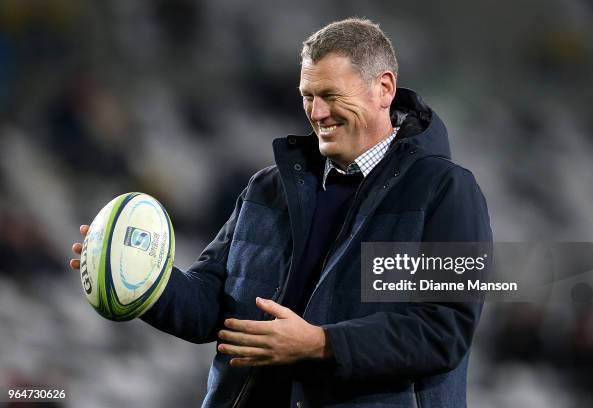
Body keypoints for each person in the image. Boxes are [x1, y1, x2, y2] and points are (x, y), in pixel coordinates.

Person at [71, 18, 491, 408]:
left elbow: (443, 330)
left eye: (331, 95)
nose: (317, 113)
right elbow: (212, 309)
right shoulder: (267, 188)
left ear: (383, 89)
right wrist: (138, 281)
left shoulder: (446, 190)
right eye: (308, 97)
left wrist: (320, 343)